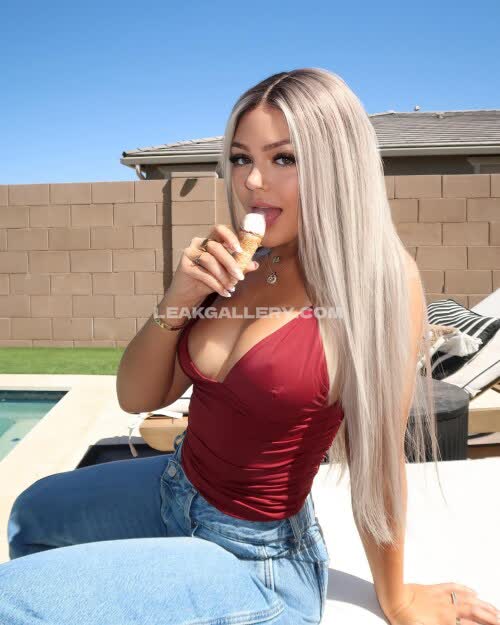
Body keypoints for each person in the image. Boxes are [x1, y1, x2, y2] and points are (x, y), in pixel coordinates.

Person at [2, 68, 499, 625]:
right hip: (175, 487)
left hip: (254, 556)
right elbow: (136, 397)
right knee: (30, 515)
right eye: (241, 159)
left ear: (337, 165)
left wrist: (397, 598)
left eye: (283, 158)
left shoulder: (379, 281)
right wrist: (179, 297)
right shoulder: (240, 262)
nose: (253, 182)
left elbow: (379, 459)